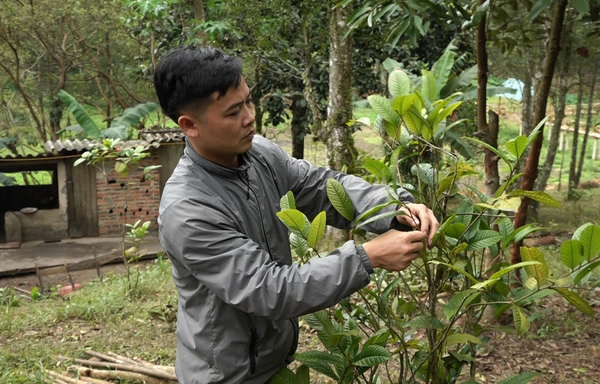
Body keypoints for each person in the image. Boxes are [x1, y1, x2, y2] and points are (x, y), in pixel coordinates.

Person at [154, 46, 439, 384]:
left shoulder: (259, 155)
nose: (249, 117)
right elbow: (267, 289)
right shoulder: (187, 210)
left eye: (248, 101)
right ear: (190, 125)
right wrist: (367, 257)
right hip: (227, 375)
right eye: (233, 112)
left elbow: (321, 187)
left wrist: (394, 208)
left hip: (270, 361)